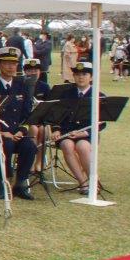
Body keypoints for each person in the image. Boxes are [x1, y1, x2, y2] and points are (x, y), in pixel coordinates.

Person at [0, 47, 38, 200]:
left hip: (16, 132)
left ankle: (20, 183)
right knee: (5, 145)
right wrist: (0, 131)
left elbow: (27, 114)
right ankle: (2, 181)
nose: (11, 67)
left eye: (13, 63)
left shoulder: (23, 86)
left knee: (30, 147)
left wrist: (21, 131)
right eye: (6, 63)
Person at [55, 61, 104, 192]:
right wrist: (56, 130)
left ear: (91, 77)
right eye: (77, 74)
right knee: (67, 145)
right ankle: (83, 183)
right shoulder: (65, 94)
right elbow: (56, 115)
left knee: (82, 146)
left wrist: (84, 133)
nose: (81, 77)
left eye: (84, 74)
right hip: (67, 133)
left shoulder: (99, 95)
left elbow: (102, 123)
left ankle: (93, 181)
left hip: (87, 134)